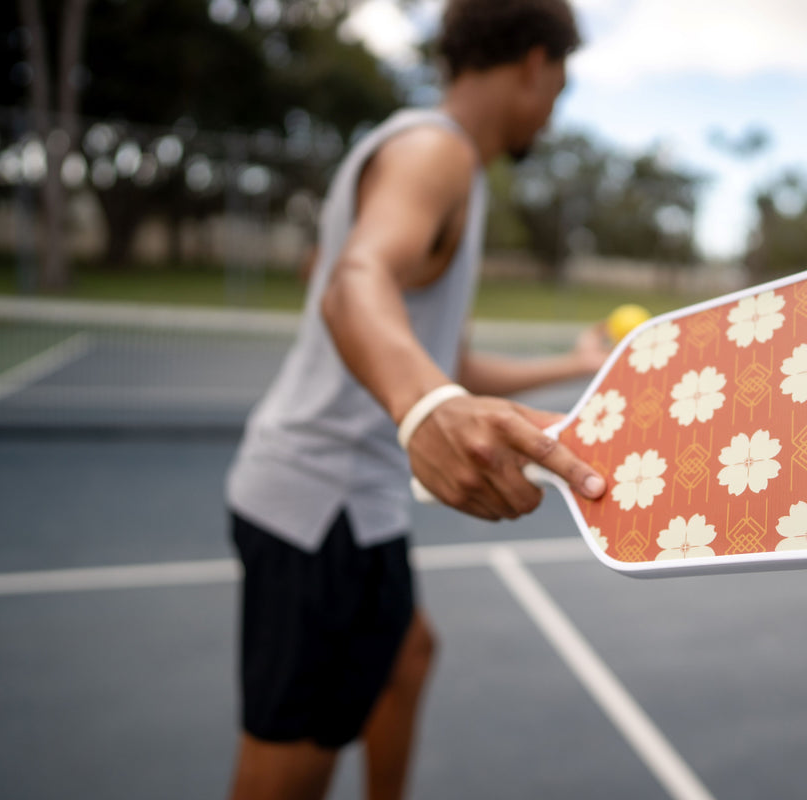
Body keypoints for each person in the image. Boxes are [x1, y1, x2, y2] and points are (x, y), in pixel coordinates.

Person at [224, 1, 606, 798]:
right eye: (561, 85)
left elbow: (447, 359)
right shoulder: (434, 152)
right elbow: (352, 282)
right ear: (535, 64)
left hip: (356, 502)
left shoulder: (436, 158)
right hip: (319, 508)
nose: (555, 105)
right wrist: (426, 407)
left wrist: (566, 366)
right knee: (288, 769)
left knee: (408, 652)